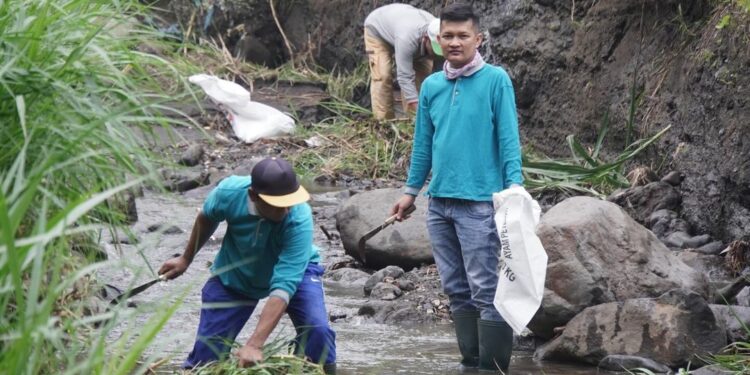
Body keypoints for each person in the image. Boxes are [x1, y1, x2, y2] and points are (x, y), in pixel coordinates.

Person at [389, 3, 523, 373]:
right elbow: (423, 145)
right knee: (455, 288)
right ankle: (471, 363)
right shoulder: (431, 85)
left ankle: (493, 367)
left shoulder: (496, 80)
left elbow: (509, 139)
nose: (454, 42)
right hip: (439, 204)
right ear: (436, 40)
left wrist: (515, 189)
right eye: (447, 35)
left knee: (484, 288)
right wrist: (410, 192)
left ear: (478, 39)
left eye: (463, 35)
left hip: (480, 203)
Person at [159, 157, 337, 374]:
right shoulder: (229, 193)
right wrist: (186, 258)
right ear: (254, 196)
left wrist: (254, 344)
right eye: (277, 205)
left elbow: (284, 285)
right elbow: (207, 217)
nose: (286, 211)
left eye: (289, 202)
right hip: (238, 270)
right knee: (206, 360)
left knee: (318, 331)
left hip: (297, 270)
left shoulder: (299, 218)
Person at [363, 3, 442, 120]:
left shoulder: (443, 37)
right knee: (383, 75)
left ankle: (412, 124)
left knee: (423, 80)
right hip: (377, 30)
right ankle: (384, 123)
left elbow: (439, 77)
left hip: (403, 28)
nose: (437, 54)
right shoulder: (407, 39)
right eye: (435, 50)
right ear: (426, 39)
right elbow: (404, 77)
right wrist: (421, 112)